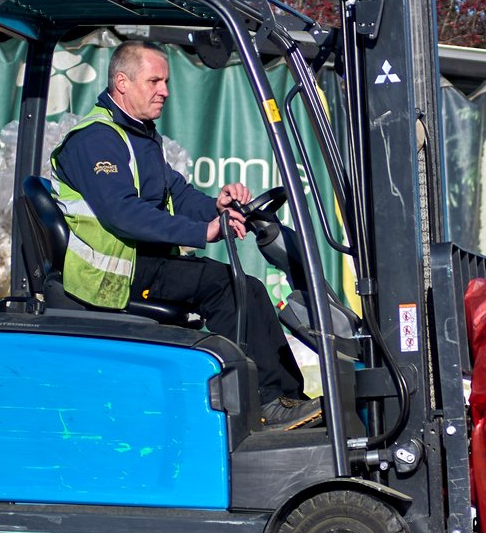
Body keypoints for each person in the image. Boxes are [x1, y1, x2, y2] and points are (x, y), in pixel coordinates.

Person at [50, 39, 318, 430]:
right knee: (228, 287)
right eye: (155, 81)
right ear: (122, 83)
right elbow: (122, 213)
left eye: (167, 81)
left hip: (138, 262)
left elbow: (177, 191)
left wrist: (217, 206)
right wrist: (202, 231)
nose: (165, 91)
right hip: (113, 273)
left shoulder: (139, 134)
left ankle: (288, 398)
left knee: (249, 287)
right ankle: (267, 403)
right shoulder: (97, 140)